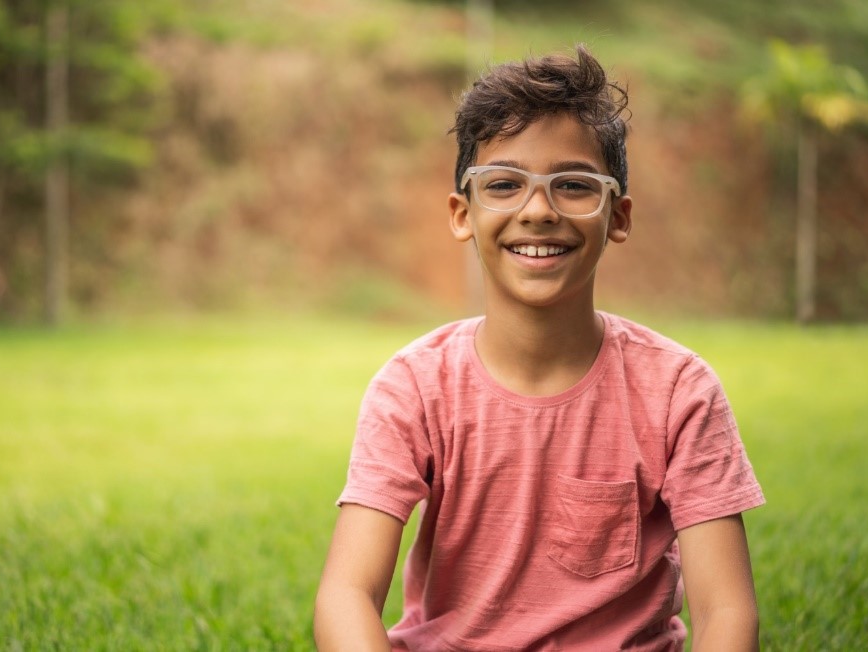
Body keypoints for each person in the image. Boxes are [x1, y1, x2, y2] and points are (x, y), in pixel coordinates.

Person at [314, 45, 765, 652]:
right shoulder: (414, 387)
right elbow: (347, 595)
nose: (537, 211)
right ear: (461, 214)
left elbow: (726, 612)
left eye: (574, 185)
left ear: (619, 215)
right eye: (503, 183)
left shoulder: (678, 391)